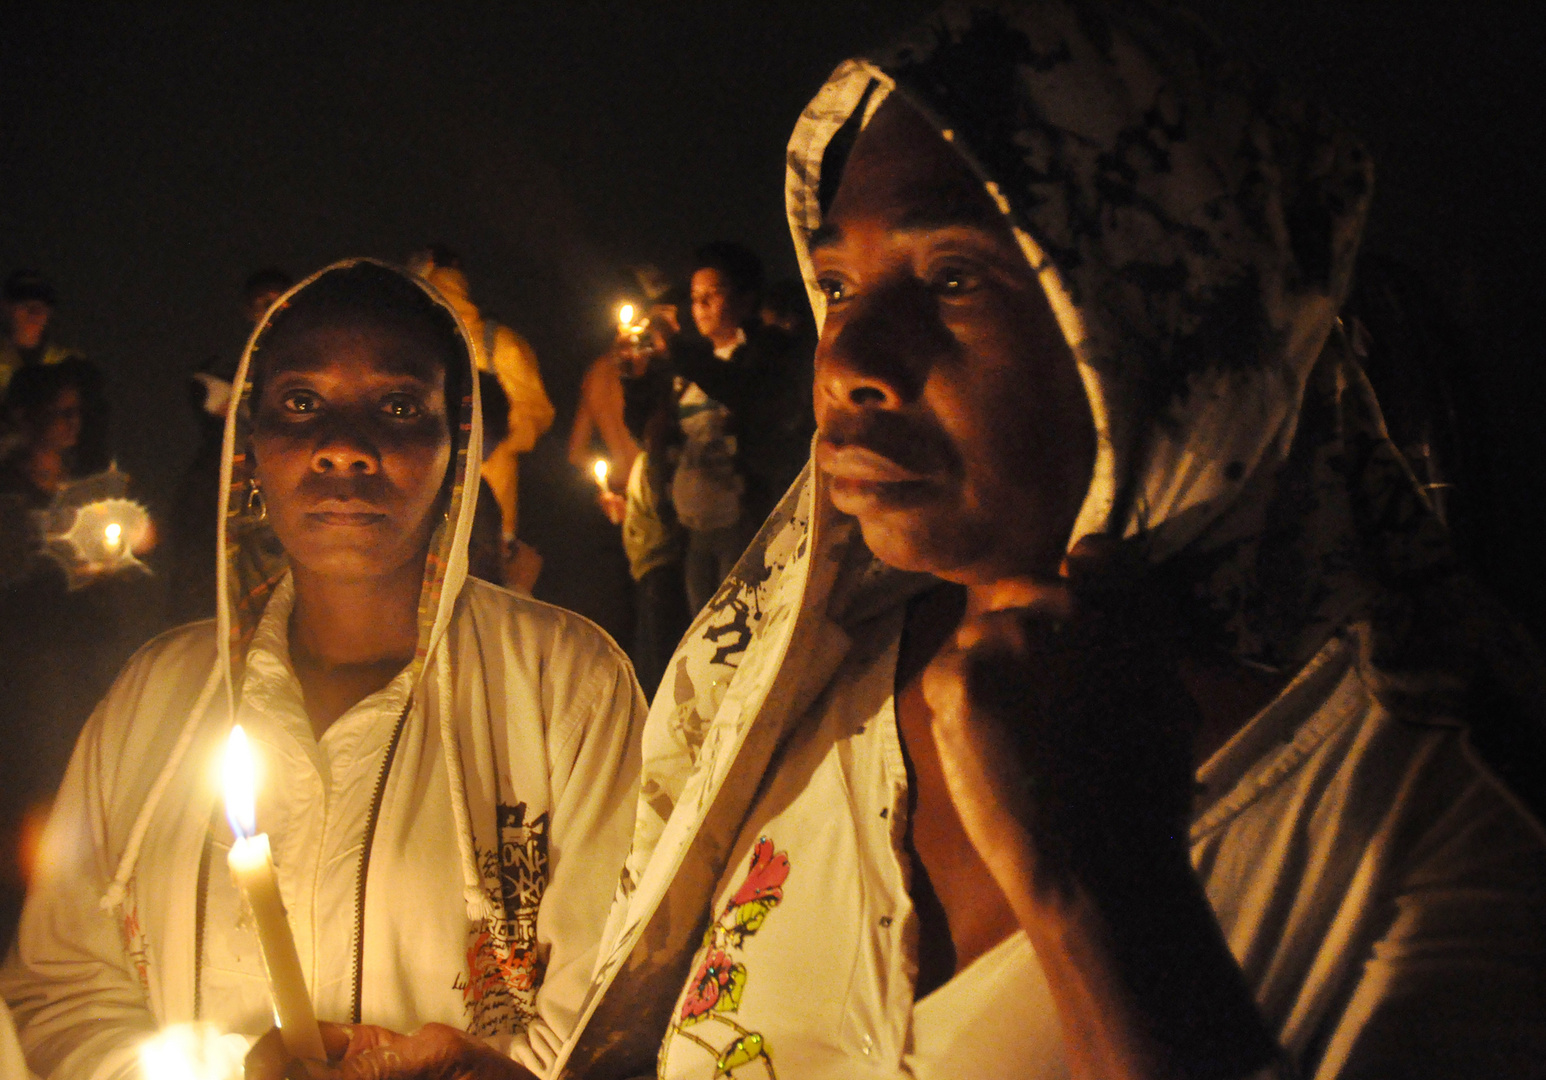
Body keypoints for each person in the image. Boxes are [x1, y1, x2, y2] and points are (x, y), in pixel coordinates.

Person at [320, 4, 1546, 1079]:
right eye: (840, 286)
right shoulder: (792, 699)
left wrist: (1101, 891)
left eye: (955, 279)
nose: (847, 361)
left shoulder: (1437, 832)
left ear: (1173, 323)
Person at [0, 260, 644, 1079]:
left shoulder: (567, 689)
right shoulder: (154, 695)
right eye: (301, 405)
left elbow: (607, 1009)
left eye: (400, 407)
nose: (343, 446)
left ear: (458, 446)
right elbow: (61, 988)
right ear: (252, 447)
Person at [667, 244, 813, 612]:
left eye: (712, 295)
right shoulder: (689, 373)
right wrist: (635, 381)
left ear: (745, 299)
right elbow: (657, 434)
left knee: (745, 621)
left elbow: (747, 393)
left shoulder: (762, 354)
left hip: (745, 516)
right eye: (695, 297)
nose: (699, 306)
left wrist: (675, 351)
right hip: (697, 523)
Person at [166, 268, 296, 625]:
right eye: (261, 303)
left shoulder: (316, 365)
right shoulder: (226, 368)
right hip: (222, 489)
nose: (271, 309)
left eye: (279, 301)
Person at [408, 245, 555, 546]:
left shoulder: (409, 347)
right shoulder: (503, 343)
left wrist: (478, 444)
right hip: (490, 511)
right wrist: (496, 441)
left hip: (428, 510)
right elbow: (536, 415)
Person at [0, 272, 85, 399]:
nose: (34, 313)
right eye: (25, 305)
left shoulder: (71, 364)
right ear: (5, 307)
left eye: (41, 307)